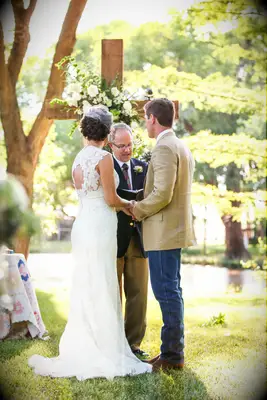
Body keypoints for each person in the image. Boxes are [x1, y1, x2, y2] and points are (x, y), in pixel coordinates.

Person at [28, 106, 152, 379]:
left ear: (85, 130)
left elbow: (88, 194)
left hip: (84, 224)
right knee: (104, 283)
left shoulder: (78, 158)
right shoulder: (103, 158)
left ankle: (86, 345)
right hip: (101, 224)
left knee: (87, 283)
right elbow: (110, 199)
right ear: (107, 133)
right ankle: (105, 349)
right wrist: (130, 204)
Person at [131, 98, 196, 372]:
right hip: (171, 231)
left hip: (162, 232)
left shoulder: (165, 147)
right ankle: (171, 351)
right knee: (172, 291)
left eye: (146, 118)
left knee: (167, 293)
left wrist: (137, 209)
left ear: (154, 119)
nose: (146, 122)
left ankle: (172, 356)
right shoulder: (179, 144)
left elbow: (162, 193)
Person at [109, 123, 149, 359]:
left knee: (139, 293)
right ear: (111, 145)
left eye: (130, 144)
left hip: (139, 237)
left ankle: (133, 343)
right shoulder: (105, 165)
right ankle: (112, 342)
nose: (127, 150)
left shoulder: (143, 167)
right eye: (121, 145)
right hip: (113, 237)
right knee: (112, 292)